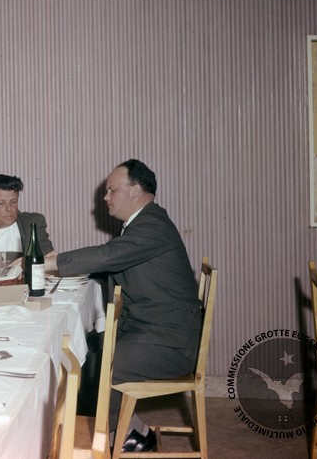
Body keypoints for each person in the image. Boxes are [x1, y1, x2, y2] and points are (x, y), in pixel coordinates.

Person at [45, 159, 202, 453]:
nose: (106, 197)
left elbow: (108, 255)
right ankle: (133, 431)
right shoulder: (141, 224)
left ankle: (114, 436)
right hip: (153, 330)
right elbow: (113, 262)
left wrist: (52, 264)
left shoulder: (152, 225)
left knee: (101, 364)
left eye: (112, 190)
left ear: (136, 190)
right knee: (85, 350)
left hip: (170, 343)